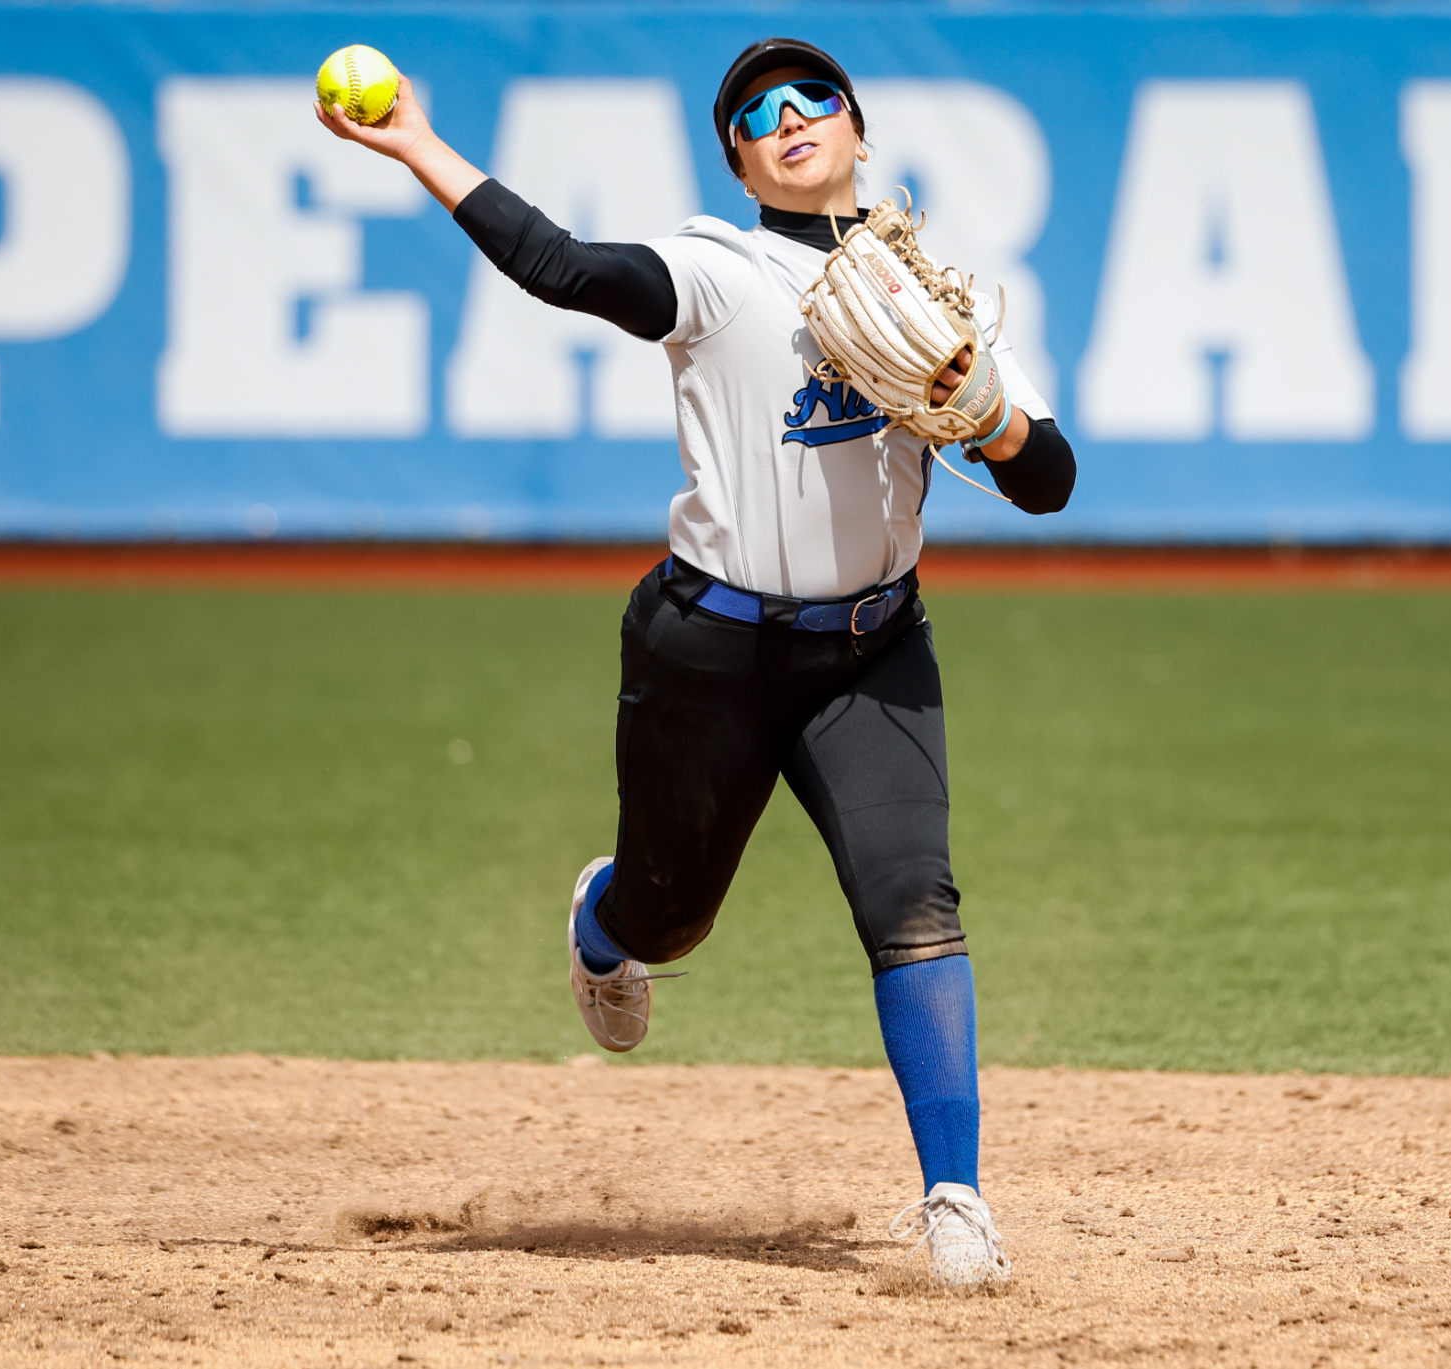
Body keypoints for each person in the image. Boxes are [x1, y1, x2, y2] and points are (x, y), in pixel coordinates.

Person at [317, 36, 1075, 1288]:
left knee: (913, 901)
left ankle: (954, 1198)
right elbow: (562, 268)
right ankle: (601, 923)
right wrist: (415, 144)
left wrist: (986, 409)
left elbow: (1045, 480)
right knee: (670, 919)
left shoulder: (935, 299)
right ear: (737, 159)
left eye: (810, 98)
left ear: (857, 128)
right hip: (708, 649)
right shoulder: (719, 270)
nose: (787, 117)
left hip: (869, 651)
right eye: (754, 113)